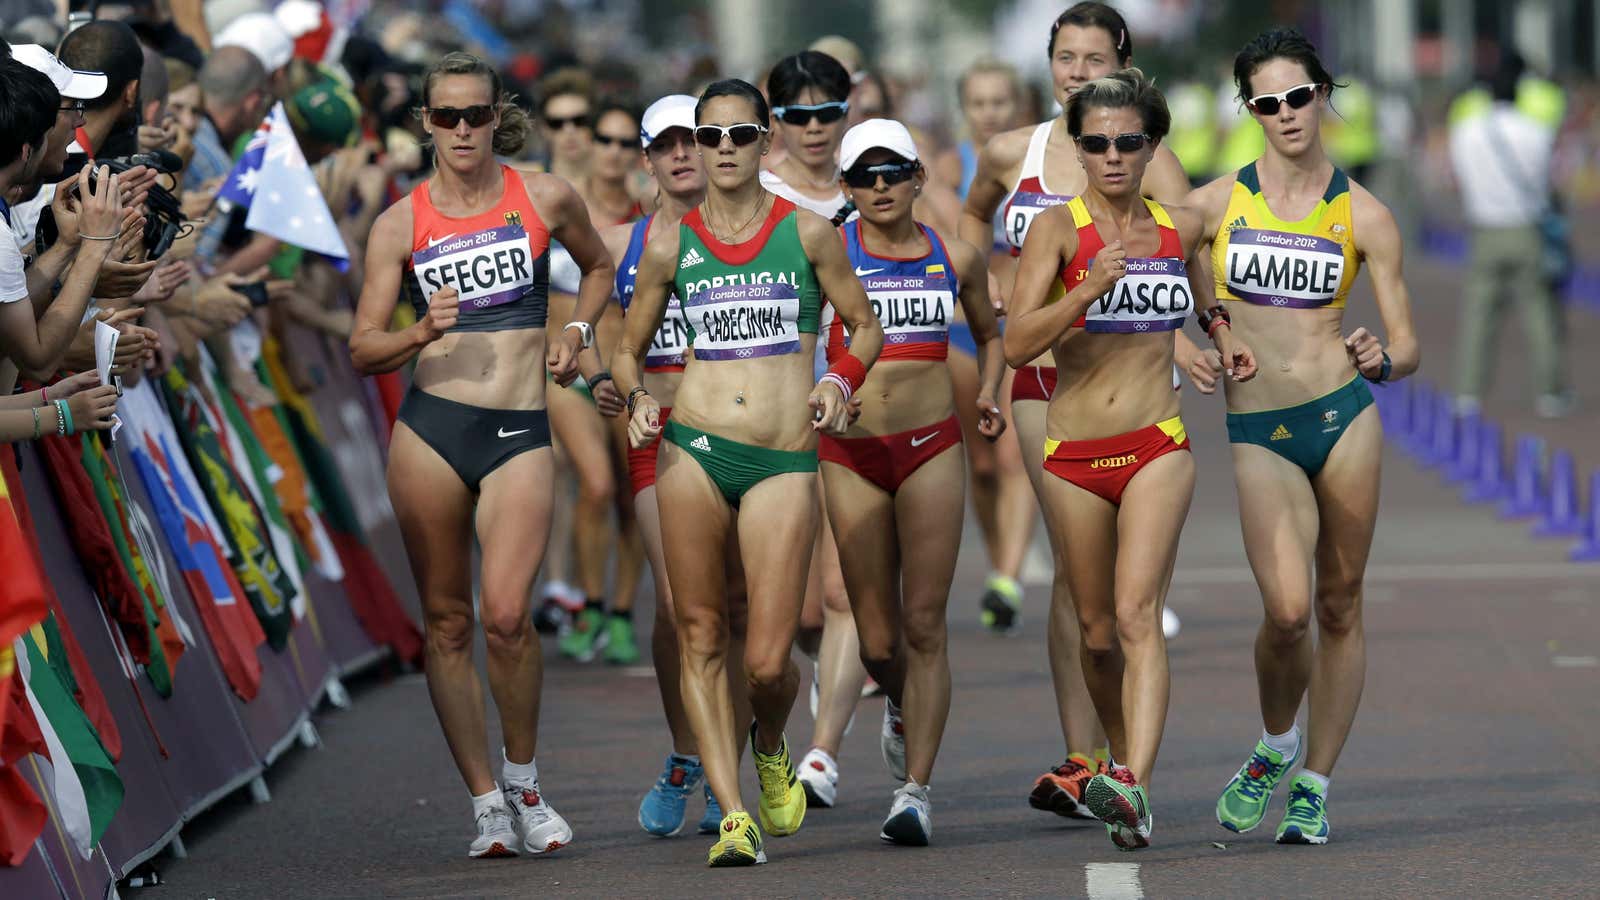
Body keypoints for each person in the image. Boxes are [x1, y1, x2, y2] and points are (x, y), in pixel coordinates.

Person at [348, 51, 615, 859]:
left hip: (517, 429)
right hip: (430, 430)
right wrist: (419, 331)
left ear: (497, 115)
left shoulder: (543, 194)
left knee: (506, 616)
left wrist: (576, 332)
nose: (463, 130)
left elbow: (599, 266)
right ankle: (485, 803)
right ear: (424, 123)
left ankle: (526, 782)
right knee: (449, 621)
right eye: (446, 116)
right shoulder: (400, 223)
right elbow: (364, 348)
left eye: (476, 115)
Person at [613, 78, 883, 867]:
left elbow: (863, 326)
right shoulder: (669, 244)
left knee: (767, 663)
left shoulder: (808, 235)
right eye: (709, 135)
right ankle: (733, 814)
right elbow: (629, 344)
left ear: (765, 142)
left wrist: (838, 382)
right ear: (694, 146)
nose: (722, 147)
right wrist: (632, 394)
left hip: (781, 457)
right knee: (699, 629)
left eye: (738, 134)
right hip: (692, 448)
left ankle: (769, 742)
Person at [1006, 68, 1254, 850]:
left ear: (1151, 146)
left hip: (1158, 442)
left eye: (1128, 142)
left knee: (1137, 613)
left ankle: (1134, 784)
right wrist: (1084, 292)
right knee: (1096, 630)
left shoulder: (1178, 227)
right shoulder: (1056, 230)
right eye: (1097, 143)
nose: (1113, 156)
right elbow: (1017, 342)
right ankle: (1115, 761)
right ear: (1078, 148)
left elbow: (1202, 290)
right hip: (1074, 447)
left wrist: (1222, 331)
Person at [1184, 27, 1419, 846]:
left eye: (1299, 96)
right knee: (1286, 612)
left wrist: (1379, 357)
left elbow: (1407, 342)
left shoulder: (1367, 214)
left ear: (1323, 95)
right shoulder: (1214, 203)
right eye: (1267, 101)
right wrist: (1208, 326)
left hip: (1344, 415)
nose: (1286, 113)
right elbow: (1151, 261)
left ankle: (1315, 784)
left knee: (1339, 602)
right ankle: (1277, 741)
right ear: (1248, 108)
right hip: (1259, 425)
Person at [961, 0, 1191, 820]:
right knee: (1074, 585)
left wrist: (1202, 337)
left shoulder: (1140, 154)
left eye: (1095, 59)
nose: (1079, 73)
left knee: (1126, 605)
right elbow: (971, 221)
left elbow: (1182, 250)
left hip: (1136, 389)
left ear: (1122, 64)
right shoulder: (1015, 154)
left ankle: (1121, 768)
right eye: (1066, 58)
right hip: (1046, 386)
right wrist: (980, 277)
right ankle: (1080, 752)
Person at [821, 118, 1005, 845]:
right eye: (863, 176)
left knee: (926, 624)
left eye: (892, 171)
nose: (879, 186)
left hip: (932, 447)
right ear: (846, 187)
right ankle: (900, 704)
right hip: (850, 451)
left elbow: (991, 335)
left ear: (916, 178)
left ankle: (915, 790)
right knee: (876, 639)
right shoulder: (825, 255)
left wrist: (988, 390)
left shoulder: (954, 256)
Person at [607, 93, 743, 837]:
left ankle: (744, 755)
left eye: (697, 139)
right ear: (649, 159)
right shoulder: (630, 241)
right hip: (658, 443)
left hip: (742, 436)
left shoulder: (756, 228)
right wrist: (610, 383)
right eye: (667, 145)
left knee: (738, 609)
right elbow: (602, 324)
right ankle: (689, 753)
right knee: (677, 609)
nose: (684, 154)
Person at [759, 48, 873, 810]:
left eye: (826, 114)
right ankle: (832, 671)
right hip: (773, 412)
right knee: (798, 613)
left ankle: (824, 753)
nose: (812, 130)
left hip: (856, 400)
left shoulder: (876, 179)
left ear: (846, 110)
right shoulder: (750, 186)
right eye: (796, 116)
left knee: (841, 590)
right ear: (775, 121)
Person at [1447, 51, 1569, 418]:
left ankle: (1468, 393)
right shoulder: (1535, 131)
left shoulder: (1466, 131)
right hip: (1525, 227)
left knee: (1479, 315)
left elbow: (1456, 179)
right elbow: (1549, 181)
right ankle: (1550, 393)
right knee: (1539, 312)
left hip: (1484, 228)